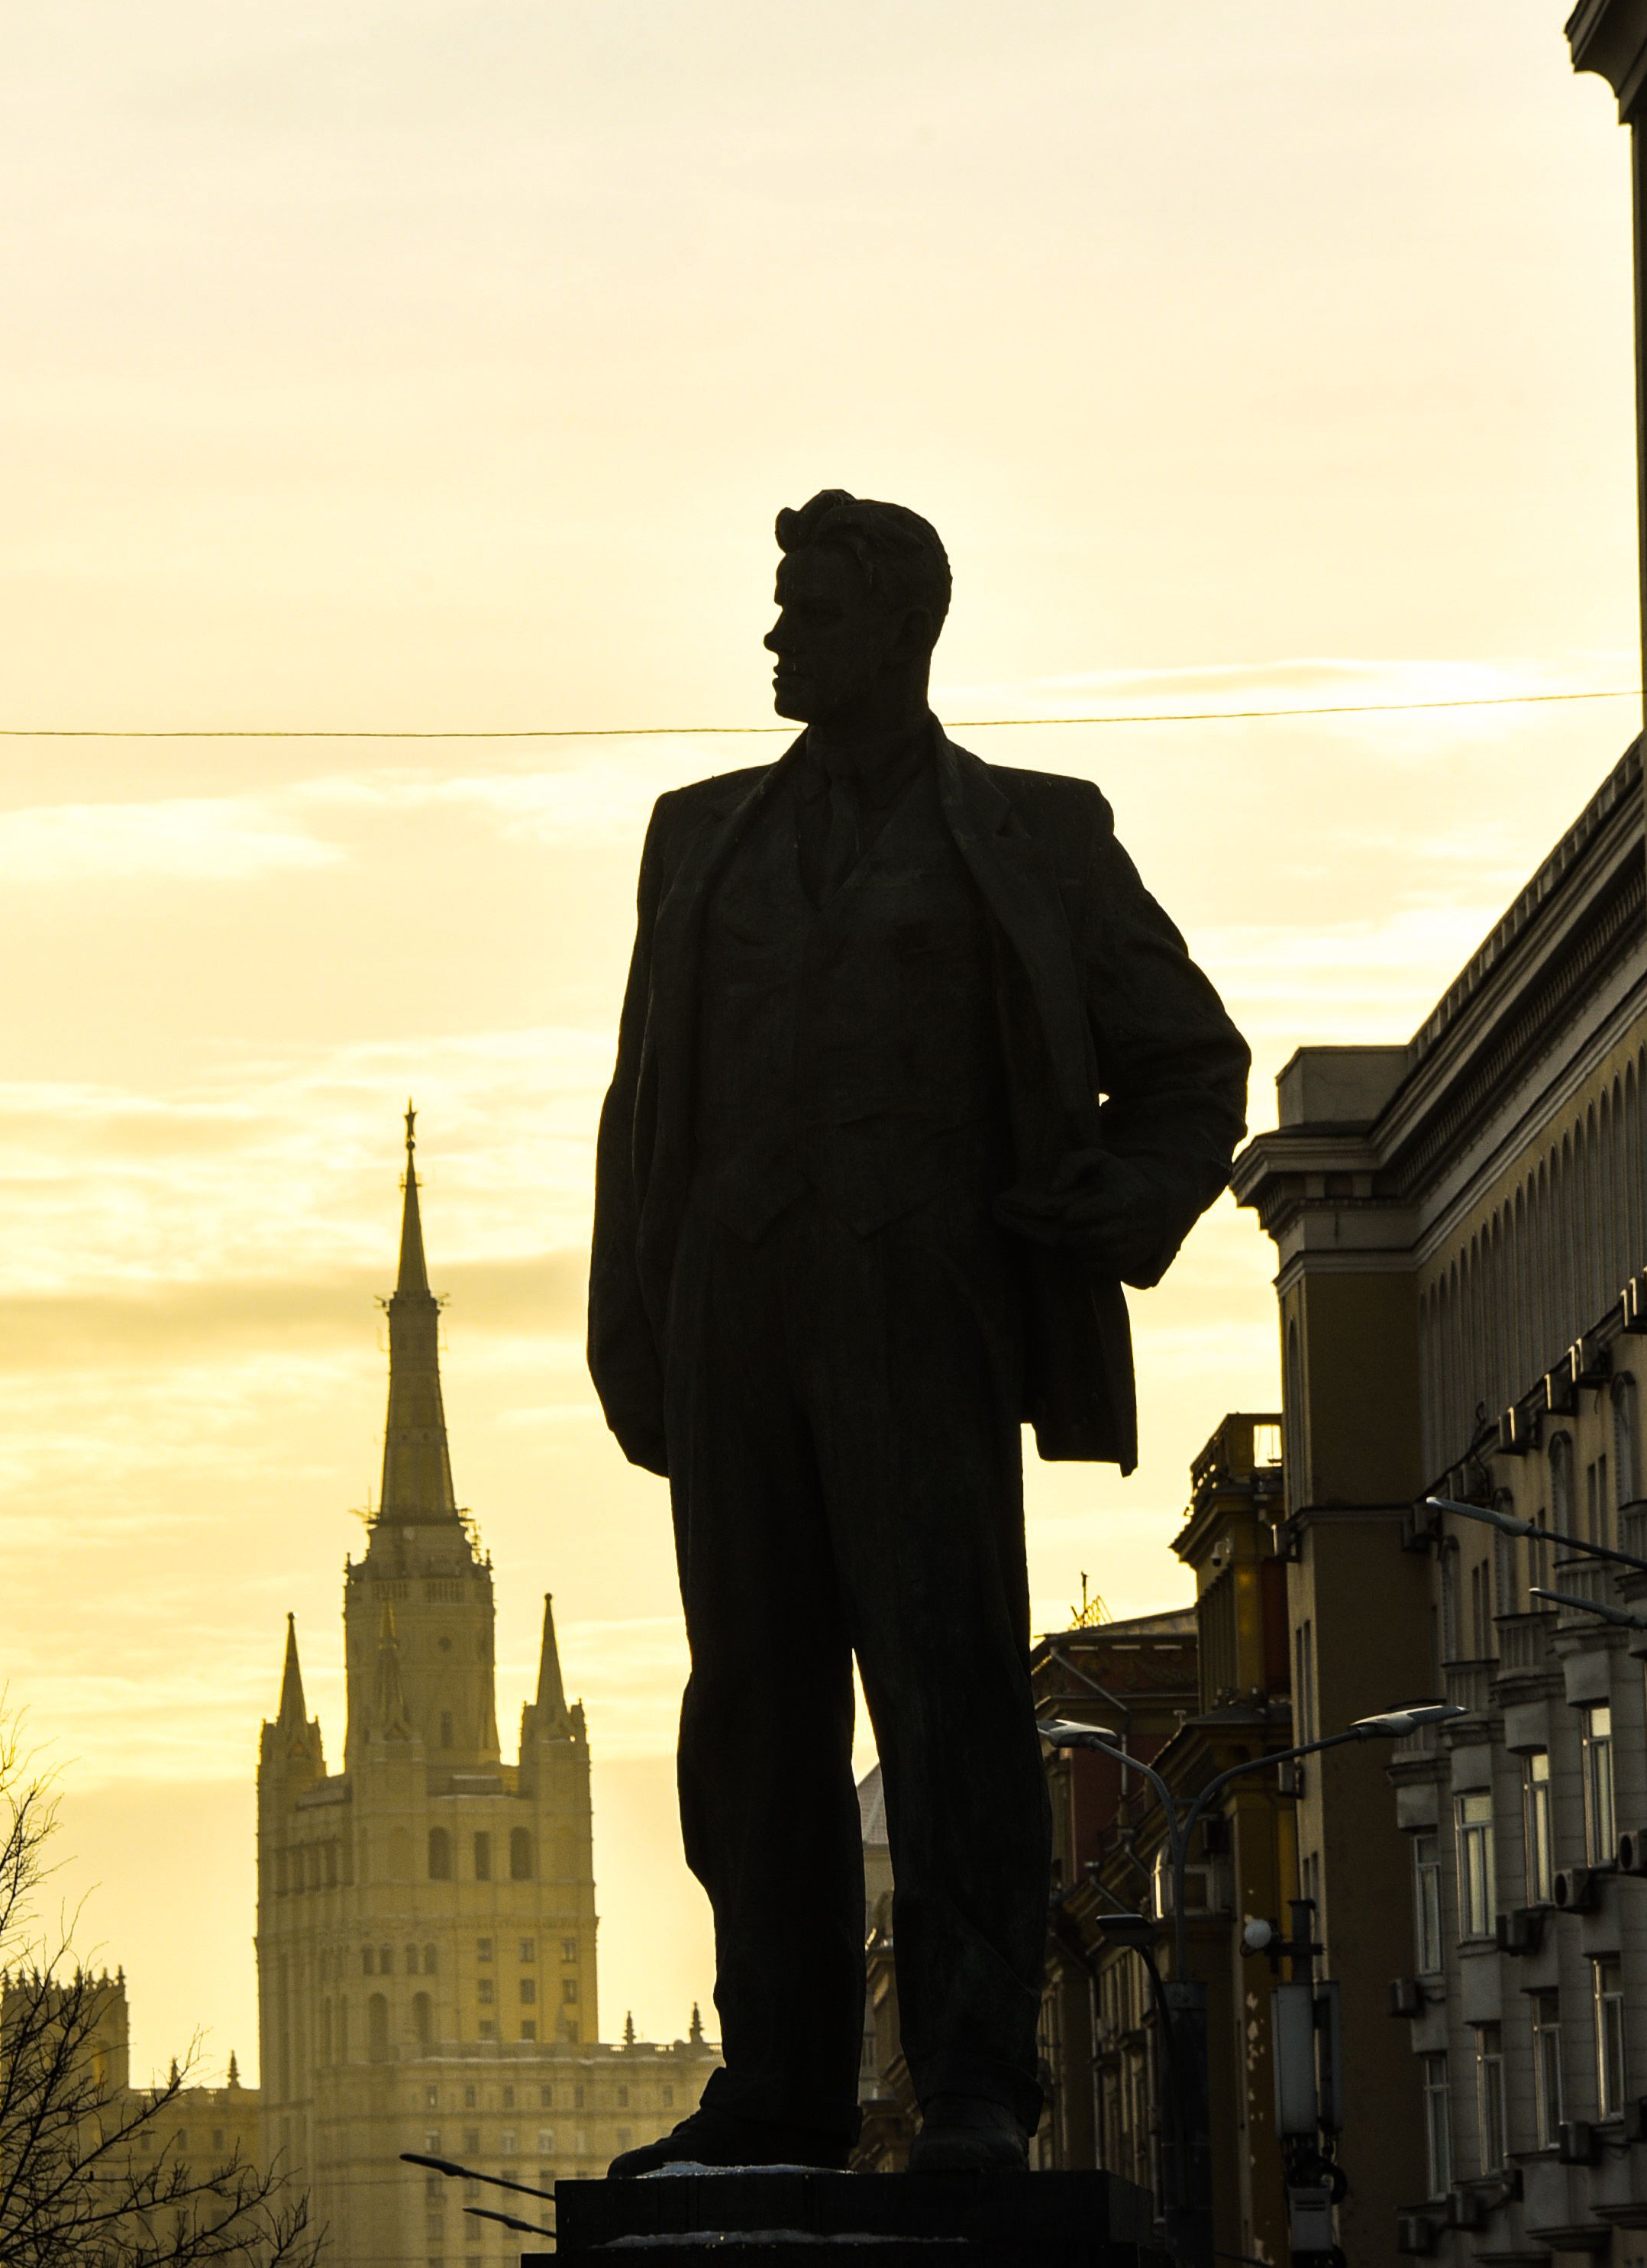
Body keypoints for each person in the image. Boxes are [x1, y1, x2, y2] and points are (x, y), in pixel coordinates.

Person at [587, 491, 1251, 2176]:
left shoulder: (1030, 832)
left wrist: (1128, 1195)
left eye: (803, 609)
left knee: (948, 1695)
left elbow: (1187, 1057)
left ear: (897, 624)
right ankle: (782, 2086)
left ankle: (972, 2083)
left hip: (922, 1310)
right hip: (736, 1318)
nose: (774, 638)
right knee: (753, 1709)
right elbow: (639, 1102)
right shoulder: (697, 834)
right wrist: (632, 1317)